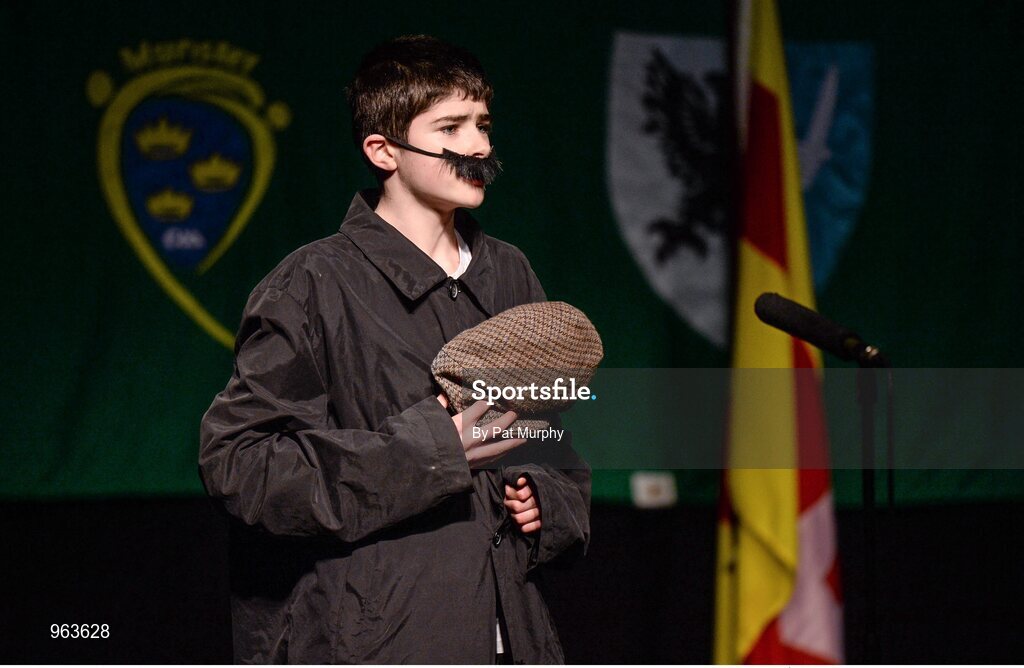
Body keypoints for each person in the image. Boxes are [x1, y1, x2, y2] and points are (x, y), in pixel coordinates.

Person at [198, 34, 591, 664]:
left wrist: (547, 500)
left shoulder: (510, 275)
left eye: (483, 125)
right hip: (373, 642)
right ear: (383, 150)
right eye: (451, 126)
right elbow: (242, 467)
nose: (480, 146)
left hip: (509, 638)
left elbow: (556, 440)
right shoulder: (313, 285)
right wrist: (435, 448)